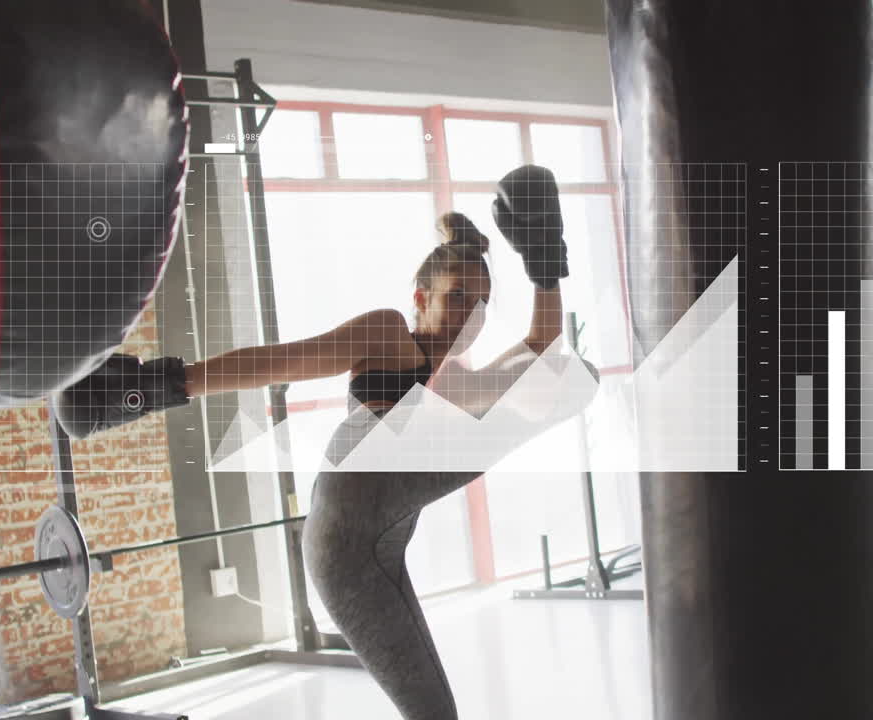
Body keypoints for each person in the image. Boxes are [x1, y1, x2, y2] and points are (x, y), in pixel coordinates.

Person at [52, 165, 585, 719]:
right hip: (348, 531)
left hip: (380, 550)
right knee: (559, 382)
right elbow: (280, 361)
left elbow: (539, 350)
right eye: (456, 298)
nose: (468, 318)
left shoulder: (453, 381)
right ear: (420, 297)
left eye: (480, 305)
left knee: (434, 714)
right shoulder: (389, 336)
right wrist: (151, 387)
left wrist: (545, 268)